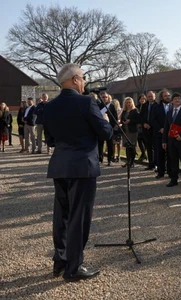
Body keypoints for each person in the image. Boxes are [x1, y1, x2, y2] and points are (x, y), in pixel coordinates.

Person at [43, 63, 113, 282]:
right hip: (82, 166)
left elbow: (51, 140)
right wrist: (107, 122)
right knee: (79, 217)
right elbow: (105, 134)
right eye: (82, 78)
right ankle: (74, 266)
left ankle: (60, 261)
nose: (84, 82)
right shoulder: (86, 102)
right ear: (74, 79)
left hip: (60, 165)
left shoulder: (50, 106)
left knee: (61, 216)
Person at [163, 92, 181, 189]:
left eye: (179, 99)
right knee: (173, 161)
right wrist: (164, 141)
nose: (177, 100)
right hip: (171, 141)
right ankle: (174, 179)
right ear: (172, 101)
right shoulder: (169, 113)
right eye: (175, 99)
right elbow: (166, 127)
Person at [151, 89, 172, 179]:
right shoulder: (156, 107)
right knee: (160, 153)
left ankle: (171, 172)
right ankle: (161, 172)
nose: (167, 97)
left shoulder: (173, 106)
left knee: (171, 154)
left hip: (171, 134)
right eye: (165, 96)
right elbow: (152, 119)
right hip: (160, 134)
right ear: (161, 97)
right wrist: (160, 128)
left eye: (168, 95)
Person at [97, 92, 118, 166]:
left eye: (106, 97)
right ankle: (100, 159)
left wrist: (114, 125)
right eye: (103, 97)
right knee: (100, 144)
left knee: (110, 145)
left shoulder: (111, 106)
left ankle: (110, 159)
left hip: (109, 127)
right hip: (101, 128)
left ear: (108, 98)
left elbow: (115, 117)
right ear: (101, 98)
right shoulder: (98, 106)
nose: (104, 98)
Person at [140, 91, 157, 170]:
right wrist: (144, 123)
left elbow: (157, 118)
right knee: (149, 147)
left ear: (154, 97)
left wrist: (151, 124)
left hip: (154, 129)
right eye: (149, 96)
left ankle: (156, 163)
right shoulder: (144, 105)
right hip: (146, 129)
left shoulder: (157, 105)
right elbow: (142, 116)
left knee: (155, 148)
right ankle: (150, 164)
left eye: (151, 96)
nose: (150, 98)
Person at [120, 97, 139, 168]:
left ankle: (132, 162)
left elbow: (138, 120)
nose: (128, 104)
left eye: (129, 102)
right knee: (127, 147)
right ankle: (128, 161)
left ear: (132, 103)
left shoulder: (135, 110)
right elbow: (121, 119)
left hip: (132, 131)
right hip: (125, 130)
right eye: (127, 103)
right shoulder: (124, 111)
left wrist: (130, 121)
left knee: (132, 146)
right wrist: (123, 121)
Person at [136, 94, 147, 162]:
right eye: (141, 99)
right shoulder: (137, 107)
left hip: (144, 126)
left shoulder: (147, 106)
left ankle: (143, 155)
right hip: (138, 127)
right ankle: (143, 154)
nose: (142, 100)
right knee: (139, 141)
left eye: (143, 99)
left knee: (145, 141)